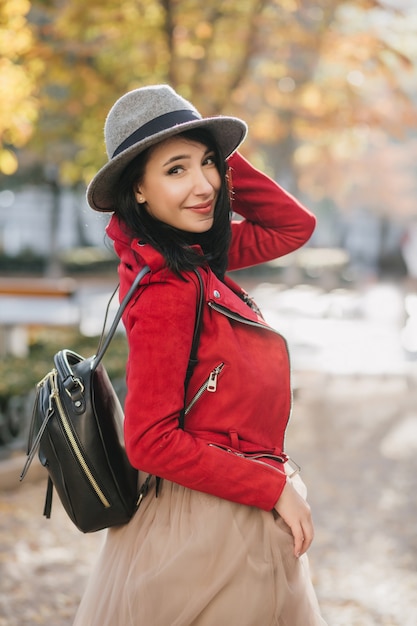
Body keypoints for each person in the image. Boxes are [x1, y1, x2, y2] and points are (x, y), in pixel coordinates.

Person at [73, 84, 327, 626]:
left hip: (230, 514)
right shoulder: (169, 286)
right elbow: (148, 442)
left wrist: (214, 149)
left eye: (208, 164)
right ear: (136, 190)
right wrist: (273, 488)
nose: (205, 185)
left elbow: (293, 226)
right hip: (207, 536)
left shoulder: (193, 257)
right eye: (175, 170)